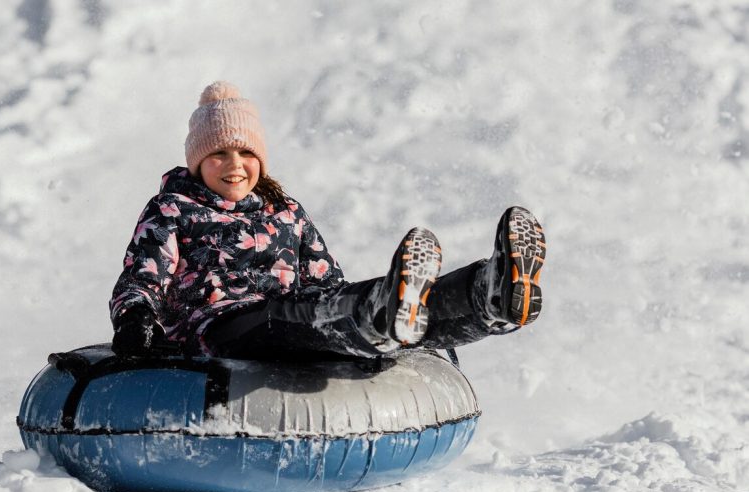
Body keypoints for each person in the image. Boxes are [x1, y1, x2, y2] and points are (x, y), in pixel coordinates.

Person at [110, 81, 546, 360]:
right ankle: (379, 316)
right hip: (220, 327)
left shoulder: (287, 212)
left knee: (338, 305)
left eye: (246, 153)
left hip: (292, 316)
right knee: (298, 317)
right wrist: (135, 320)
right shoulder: (173, 209)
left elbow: (325, 281)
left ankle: (484, 298)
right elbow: (142, 278)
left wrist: (344, 299)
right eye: (218, 154)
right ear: (197, 161)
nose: (235, 165)